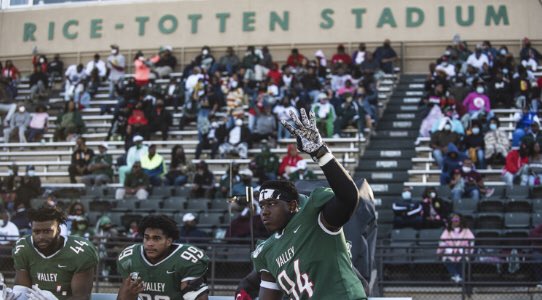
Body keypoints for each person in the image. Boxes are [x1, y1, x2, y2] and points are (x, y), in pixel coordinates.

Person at [252, 109, 366, 298]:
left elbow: (348, 198)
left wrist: (321, 153)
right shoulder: (266, 250)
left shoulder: (313, 216)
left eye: (272, 204)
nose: (264, 211)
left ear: (293, 205)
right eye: (262, 205)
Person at [8, 206, 99, 299]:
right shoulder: (24, 247)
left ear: (58, 230)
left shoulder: (80, 251)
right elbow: (23, 289)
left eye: (47, 231)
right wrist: (15, 296)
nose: (41, 237)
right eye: (36, 232)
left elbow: (81, 297)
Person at [117, 214, 210, 300]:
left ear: (168, 241)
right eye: (147, 238)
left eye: (156, 238)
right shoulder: (131, 257)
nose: (149, 244)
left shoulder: (185, 259)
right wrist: (129, 295)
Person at [437, 213, 475, 283]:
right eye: (454, 219)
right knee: (448, 260)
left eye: (457, 219)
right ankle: (456, 276)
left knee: (462, 260)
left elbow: (471, 242)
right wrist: (440, 252)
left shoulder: (466, 230)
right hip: (450, 253)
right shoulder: (447, 231)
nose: (455, 221)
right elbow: (442, 242)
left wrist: (467, 251)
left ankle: (457, 277)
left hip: (463, 252)